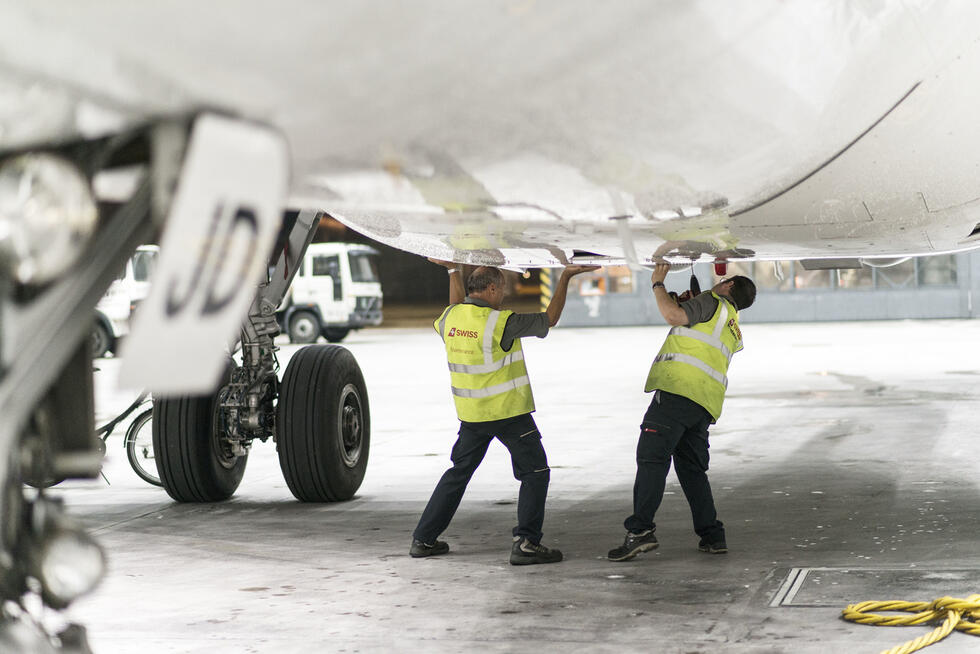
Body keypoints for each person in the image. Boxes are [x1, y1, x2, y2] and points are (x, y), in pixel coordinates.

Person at [411, 259, 597, 565]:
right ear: (493, 288)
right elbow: (549, 319)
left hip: (472, 415)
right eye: (503, 289)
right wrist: (564, 278)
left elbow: (457, 305)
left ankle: (423, 539)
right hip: (509, 413)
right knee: (535, 473)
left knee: (458, 473)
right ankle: (526, 543)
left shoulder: (449, 319)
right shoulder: (501, 323)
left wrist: (452, 270)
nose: (504, 296)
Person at [608, 263, 756, 562]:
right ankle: (712, 536)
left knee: (651, 459)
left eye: (723, 280)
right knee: (692, 472)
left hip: (677, 394)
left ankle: (640, 531)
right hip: (703, 404)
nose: (719, 283)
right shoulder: (731, 322)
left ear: (728, 288)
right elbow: (692, 326)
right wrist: (692, 303)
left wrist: (657, 284)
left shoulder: (712, 302)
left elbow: (673, 316)